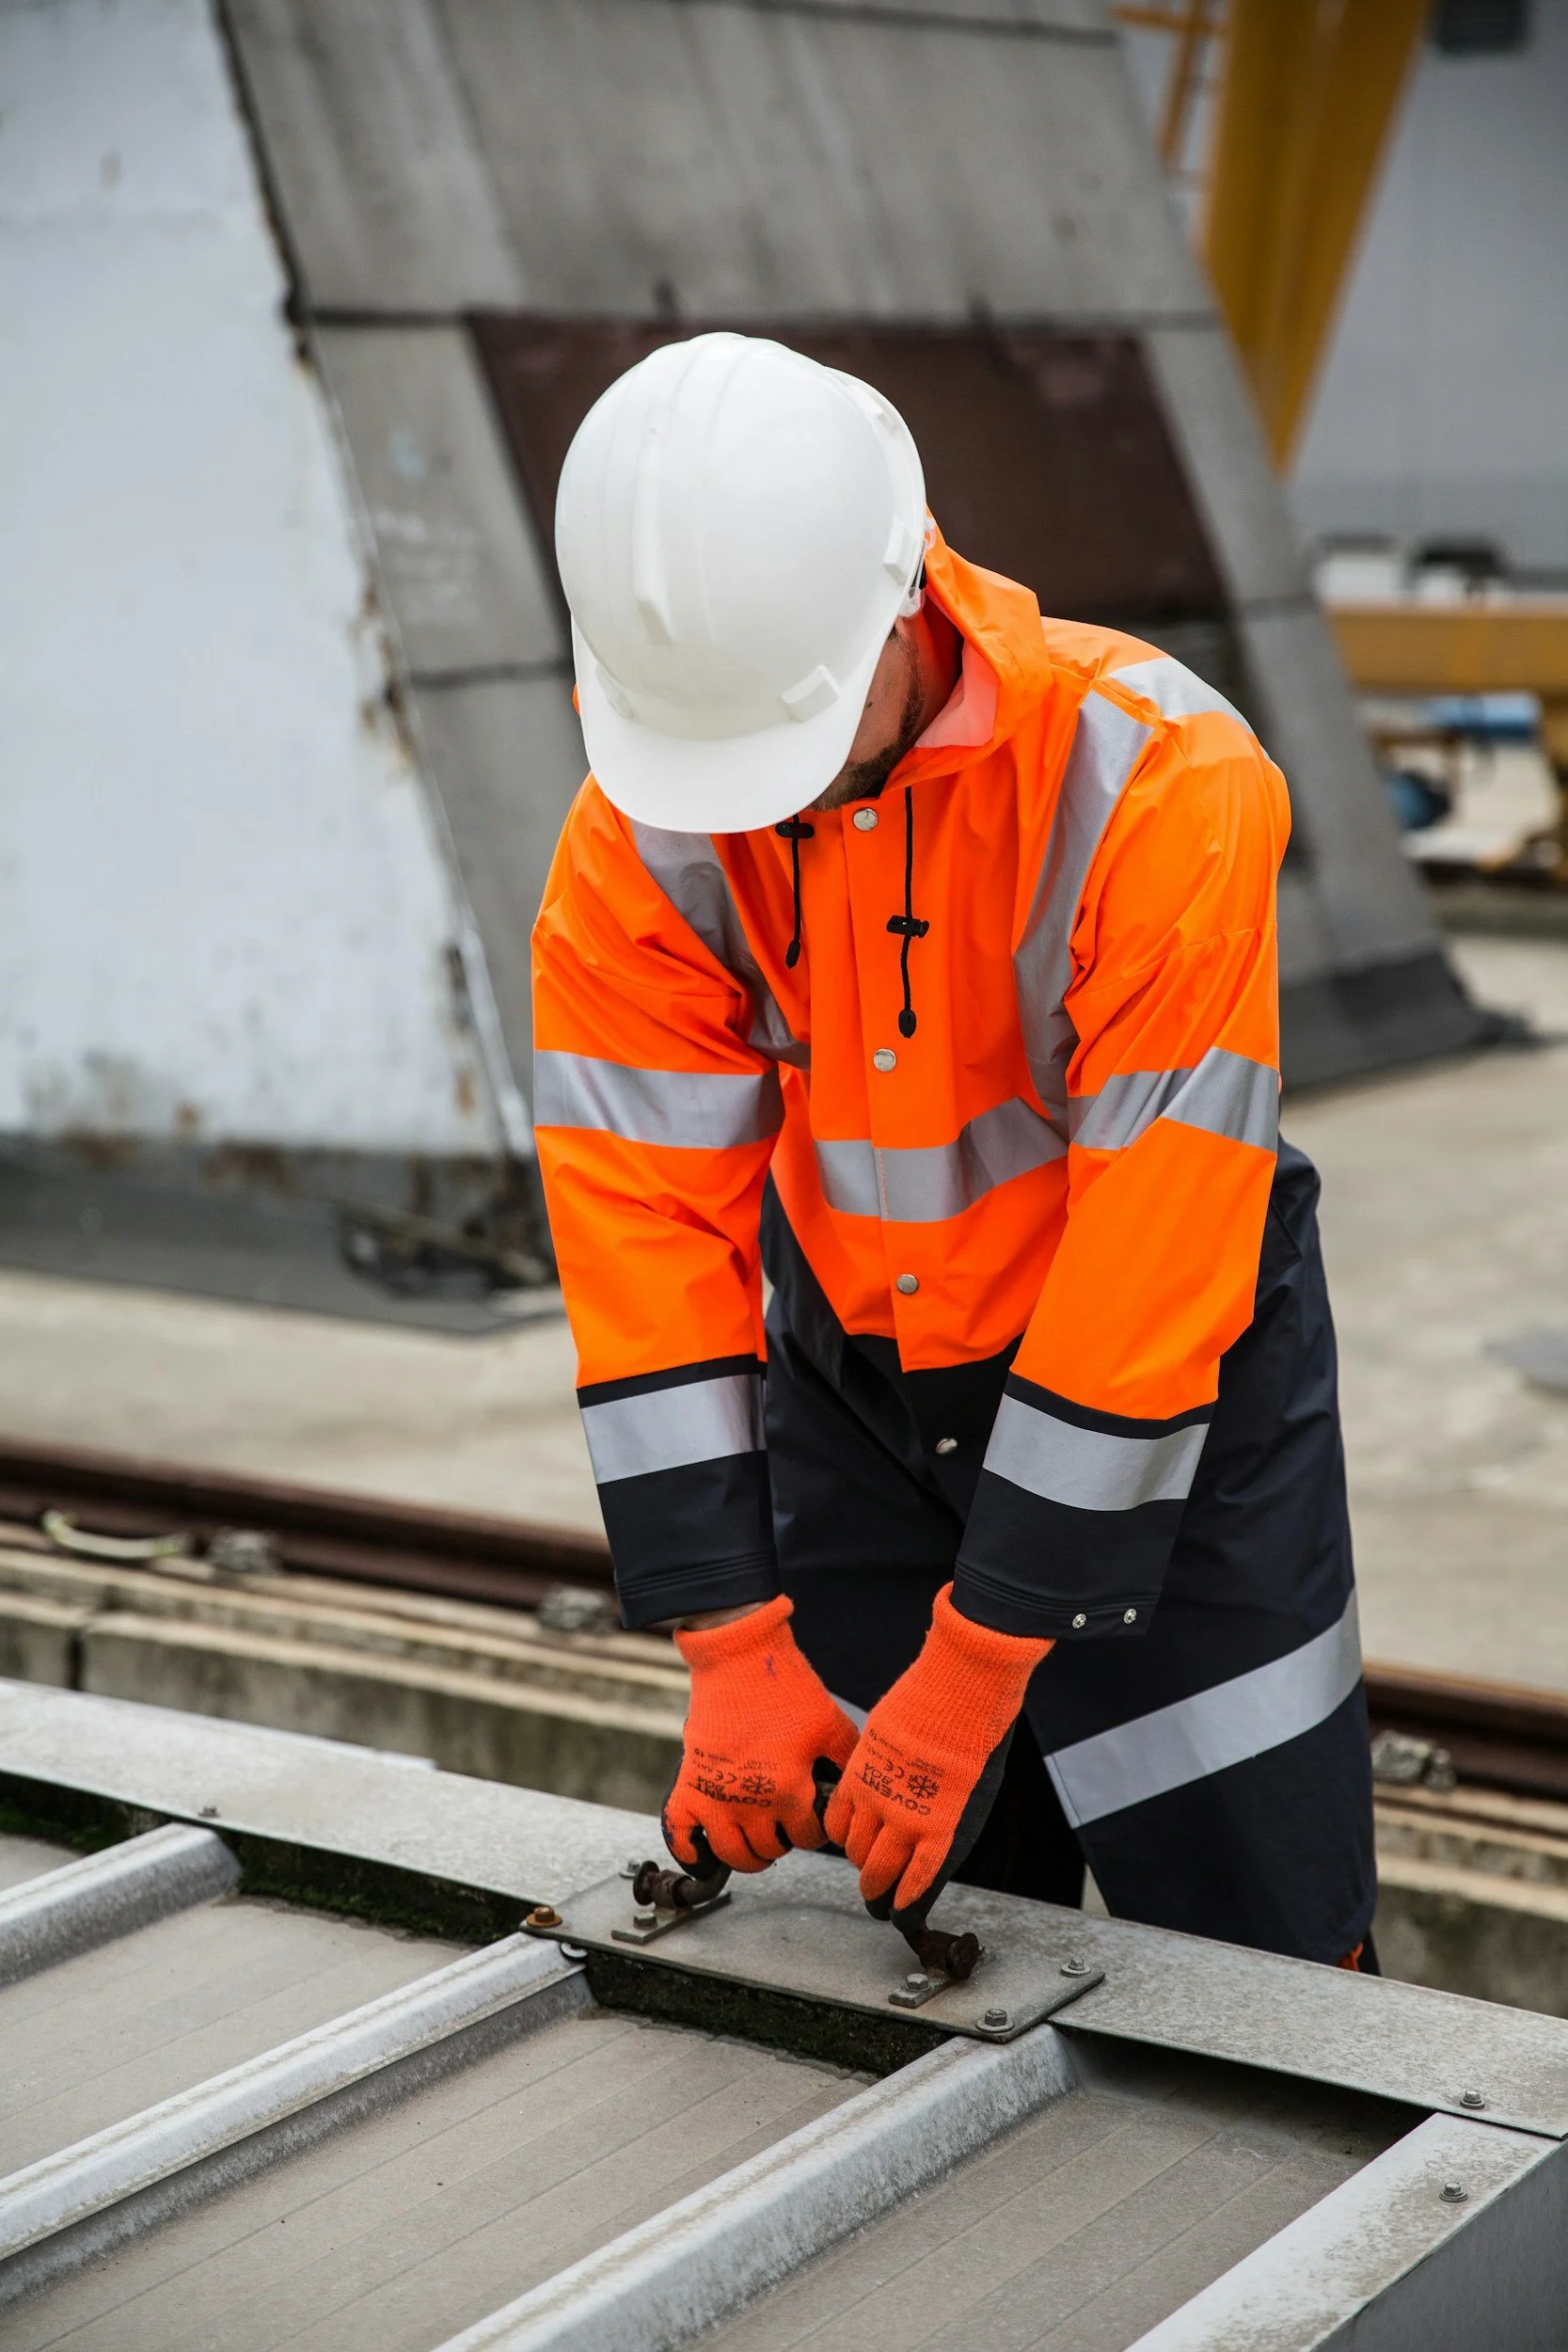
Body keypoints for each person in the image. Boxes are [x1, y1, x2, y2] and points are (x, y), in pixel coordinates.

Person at [532, 331, 1376, 1968]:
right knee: (902, 1923)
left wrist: (985, 1658)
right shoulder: (641, 822)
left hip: (1172, 1401)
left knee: (1262, 1922)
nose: (743, 809)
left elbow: (1155, 1254)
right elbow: (638, 1223)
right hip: (856, 1390)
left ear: (903, 600)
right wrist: (726, 1641)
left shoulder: (1158, 778)